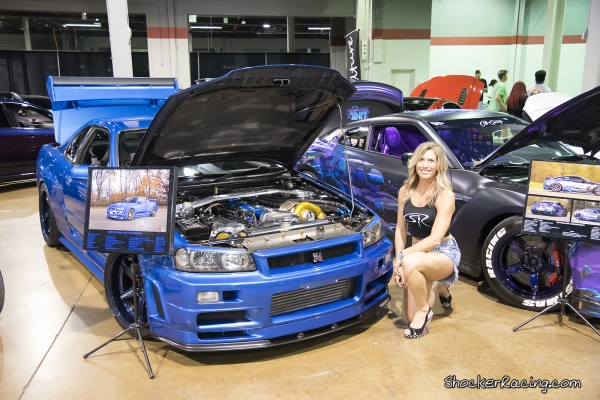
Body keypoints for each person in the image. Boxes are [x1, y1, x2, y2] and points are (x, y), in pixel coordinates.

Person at [393, 142, 461, 339]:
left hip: (443, 252)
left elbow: (435, 239)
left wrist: (403, 256)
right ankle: (440, 287)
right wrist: (398, 262)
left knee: (410, 264)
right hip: (415, 253)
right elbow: (400, 228)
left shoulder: (445, 195)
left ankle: (425, 311)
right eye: (421, 159)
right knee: (409, 317)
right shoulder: (405, 192)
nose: (425, 165)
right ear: (414, 163)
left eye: (431, 160)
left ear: (438, 165)